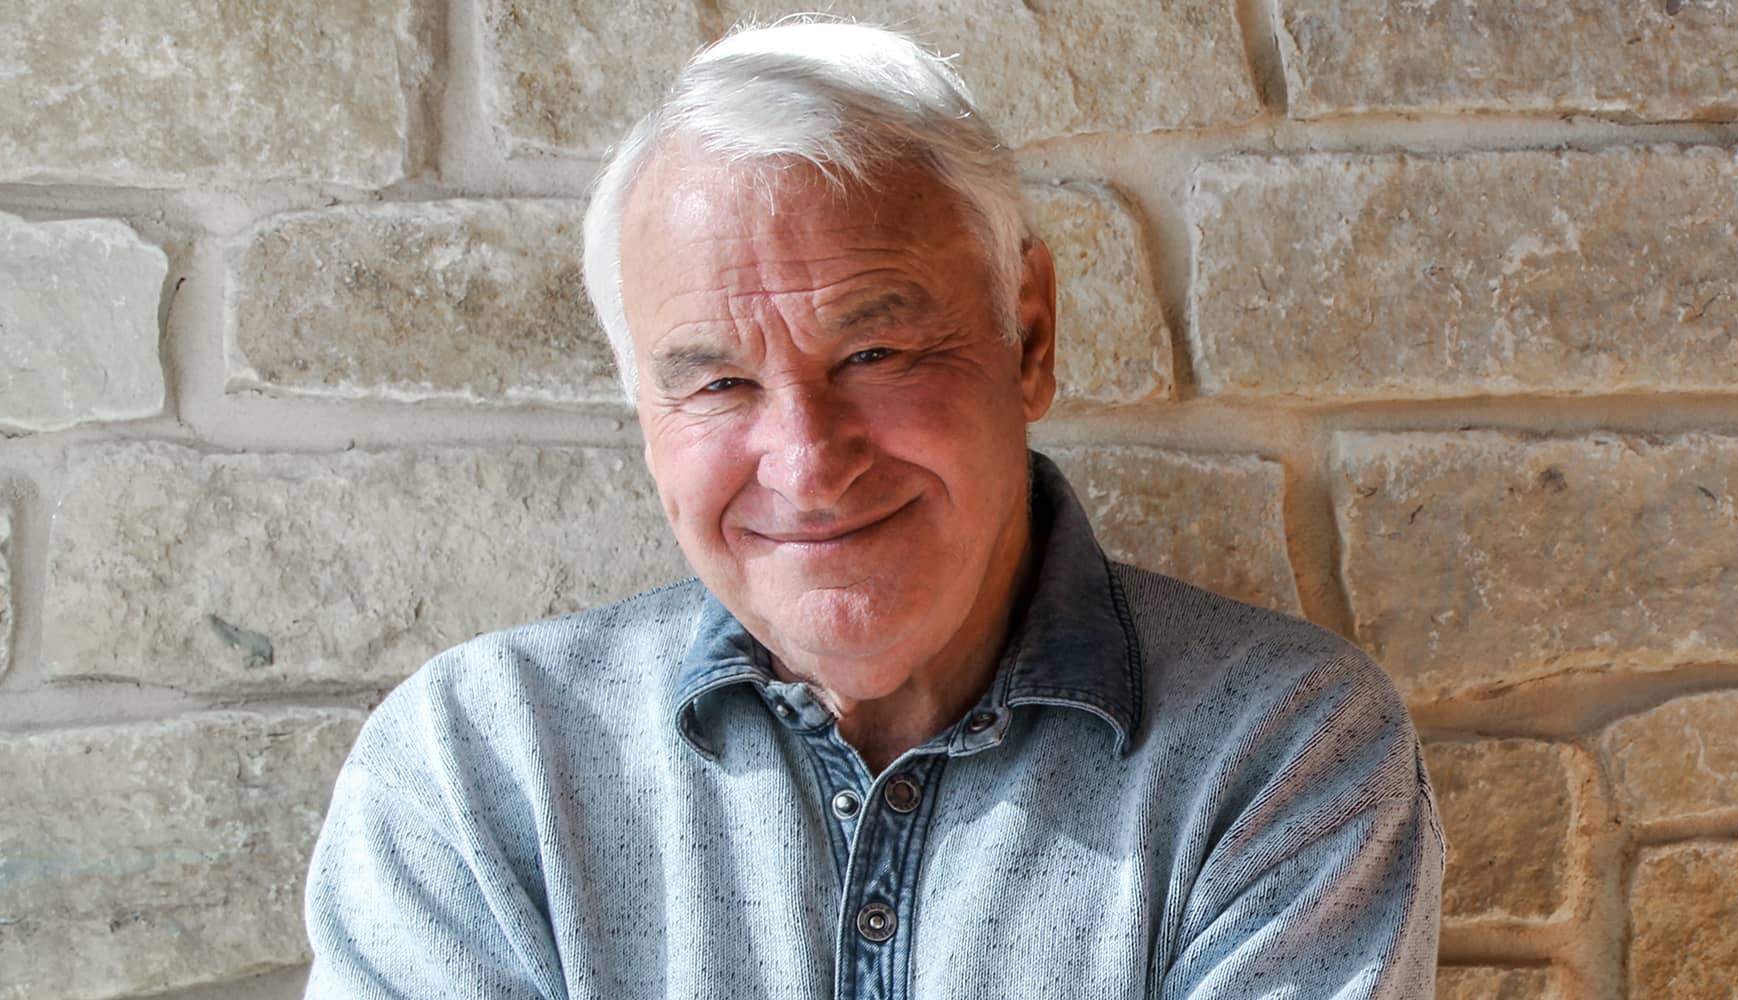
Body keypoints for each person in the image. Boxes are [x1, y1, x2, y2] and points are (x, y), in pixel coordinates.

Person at [303, 18, 1443, 999]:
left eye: (875, 350)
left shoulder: (1278, 748)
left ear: (1029, 335)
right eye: (716, 383)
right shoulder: (478, 769)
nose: (805, 462)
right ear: (642, 409)